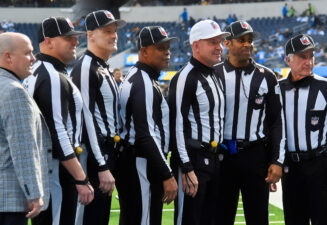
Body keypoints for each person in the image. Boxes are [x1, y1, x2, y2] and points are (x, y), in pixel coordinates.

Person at [23, 16, 94, 225]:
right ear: (49, 41)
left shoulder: (40, 71)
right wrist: (81, 177)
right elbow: (57, 131)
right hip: (56, 170)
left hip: (48, 167)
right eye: (67, 38)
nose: (75, 42)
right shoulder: (51, 75)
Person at [214, 20, 285, 225]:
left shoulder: (267, 76)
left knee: (258, 217)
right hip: (222, 155)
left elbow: (276, 122)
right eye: (241, 40)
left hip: (255, 156)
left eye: (250, 40)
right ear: (227, 44)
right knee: (220, 216)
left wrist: (276, 160)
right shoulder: (214, 73)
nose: (247, 44)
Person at [279, 34, 327, 225]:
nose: (309, 62)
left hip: (319, 165)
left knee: (322, 219)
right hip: (290, 167)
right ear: (288, 60)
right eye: (303, 57)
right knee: (293, 220)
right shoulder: (278, 89)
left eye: (311, 56)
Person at [168, 19, 230, 225]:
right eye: (213, 42)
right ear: (196, 46)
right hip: (193, 159)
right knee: (189, 219)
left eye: (220, 42)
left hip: (213, 159)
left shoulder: (214, 75)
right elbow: (176, 126)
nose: (219, 47)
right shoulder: (185, 77)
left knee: (209, 218)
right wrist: (186, 167)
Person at [70, 10, 126, 225]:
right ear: (90, 35)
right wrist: (101, 165)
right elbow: (85, 118)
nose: (114, 36)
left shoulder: (104, 67)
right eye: (107, 31)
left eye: (115, 31)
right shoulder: (86, 67)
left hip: (106, 152)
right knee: (90, 217)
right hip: (95, 156)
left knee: (101, 216)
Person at [119, 26, 179, 225]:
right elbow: (144, 134)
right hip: (141, 163)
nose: (167, 52)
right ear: (144, 51)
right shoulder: (143, 82)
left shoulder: (139, 77)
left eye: (168, 47)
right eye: (161, 48)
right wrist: (167, 173)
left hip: (136, 162)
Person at [0, 32, 51, 225]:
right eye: (28, 53)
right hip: (9, 199)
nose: (33, 58)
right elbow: (23, 148)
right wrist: (34, 193)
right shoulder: (14, 92)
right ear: (8, 57)